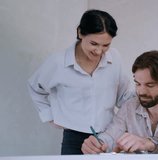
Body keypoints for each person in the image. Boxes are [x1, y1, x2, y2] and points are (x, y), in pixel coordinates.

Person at [27, 9, 134, 155]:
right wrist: (49, 116)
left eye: (105, 45)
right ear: (80, 33)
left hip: (108, 137)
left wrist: (157, 95)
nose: (99, 51)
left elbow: (124, 97)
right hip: (74, 138)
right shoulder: (58, 62)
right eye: (94, 43)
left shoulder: (114, 58)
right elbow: (35, 88)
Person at [81, 50, 158, 154]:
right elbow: (111, 135)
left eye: (150, 85)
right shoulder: (130, 106)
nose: (141, 91)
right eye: (138, 84)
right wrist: (98, 143)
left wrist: (149, 143)